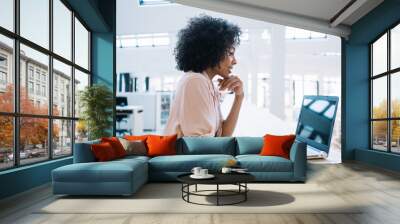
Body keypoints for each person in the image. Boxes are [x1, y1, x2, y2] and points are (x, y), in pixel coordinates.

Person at [164, 15, 243, 137]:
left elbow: (224, 135)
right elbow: (200, 146)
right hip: (186, 156)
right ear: (213, 51)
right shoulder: (195, 81)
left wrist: (239, 97)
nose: (235, 61)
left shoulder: (207, 83)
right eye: (230, 53)